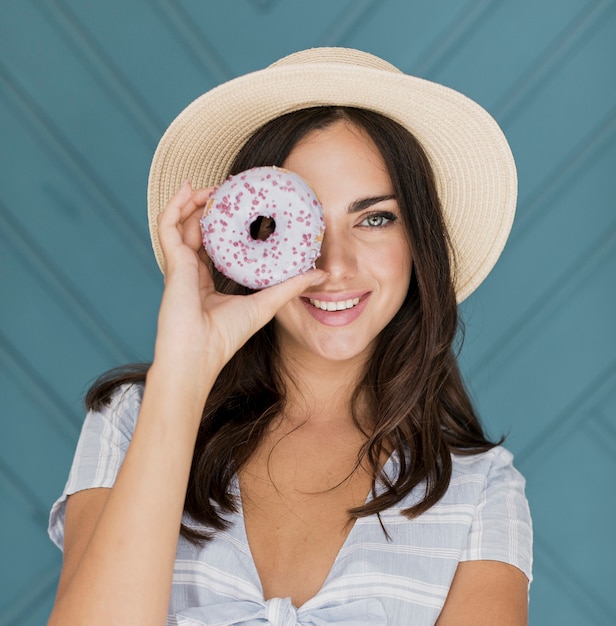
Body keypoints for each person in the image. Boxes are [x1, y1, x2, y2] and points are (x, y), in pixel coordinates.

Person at [47, 48, 532, 625]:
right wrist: (185, 368)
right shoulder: (131, 422)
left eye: (375, 217)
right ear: (244, 239)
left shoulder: (481, 490)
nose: (333, 264)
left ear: (418, 240)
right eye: (300, 223)